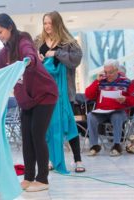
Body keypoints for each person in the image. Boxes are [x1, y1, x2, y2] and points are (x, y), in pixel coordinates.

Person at [0, 13, 58, 192]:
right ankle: (29, 177)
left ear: (10, 27)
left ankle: (43, 179)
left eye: (0, 32)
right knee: (26, 138)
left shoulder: (23, 41)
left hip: (45, 94)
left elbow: (30, 52)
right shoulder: (5, 52)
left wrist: (28, 60)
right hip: (26, 99)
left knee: (37, 135)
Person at [34, 11, 85, 173]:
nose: (47, 26)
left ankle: (77, 160)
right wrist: (38, 58)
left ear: (57, 23)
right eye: (45, 23)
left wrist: (56, 53)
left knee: (68, 123)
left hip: (64, 92)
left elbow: (76, 59)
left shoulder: (68, 42)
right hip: (44, 91)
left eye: (50, 23)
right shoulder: (38, 41)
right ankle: (51, 158)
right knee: (47, 126)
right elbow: (30, 59)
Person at [85, 59, 131, 156]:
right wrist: (96, 81)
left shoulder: (126, 82)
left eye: (110, 72)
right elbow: (88, 95)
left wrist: (125, 99)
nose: (107, 75)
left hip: (119, 111)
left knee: (116, 116)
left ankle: (116, 145)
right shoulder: (101, 81)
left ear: (117, 70)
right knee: (90, 116)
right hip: (102, 112)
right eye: (105, 72)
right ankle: (94, 146)